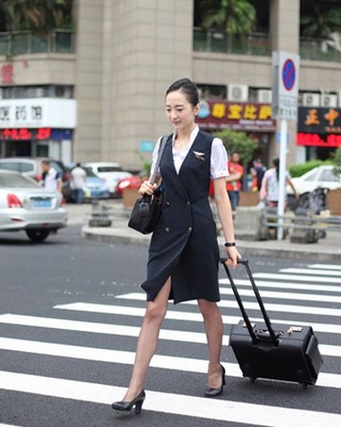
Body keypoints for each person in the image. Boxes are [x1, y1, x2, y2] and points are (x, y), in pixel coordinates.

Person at [112, 78, 241, 415]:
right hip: (166, 233)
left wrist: (230, 243)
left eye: (179, 108)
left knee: (207, 304)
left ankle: (215, 369)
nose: (173, 115)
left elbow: (222, 197)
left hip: (198, 231)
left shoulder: (212, 146)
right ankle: (134, 388)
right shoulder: (162, 144)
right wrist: (147, 188)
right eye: (168, 109)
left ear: (196, 109)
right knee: (154, 308)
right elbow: (155, 181)